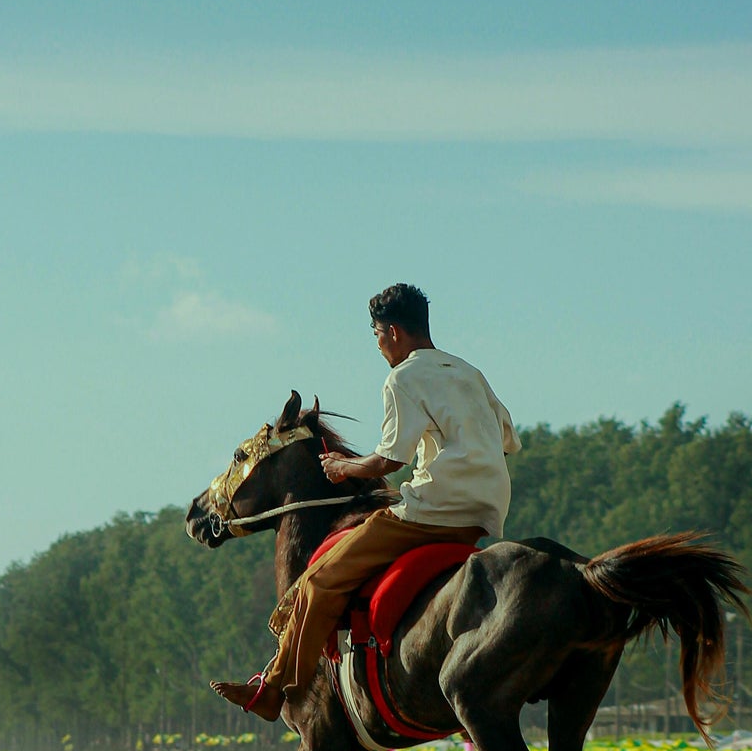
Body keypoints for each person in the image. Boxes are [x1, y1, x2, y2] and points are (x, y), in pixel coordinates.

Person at [211, 282, 520, 721]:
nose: (378, 346)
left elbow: (388, 462)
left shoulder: (403, 377)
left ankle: (274, 689)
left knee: (317, 581)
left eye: (376, 336)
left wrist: (342, 469)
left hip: (431, 511)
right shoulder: (470, 372)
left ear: (392, 332)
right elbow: (507, 440)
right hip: (486, 513)